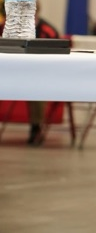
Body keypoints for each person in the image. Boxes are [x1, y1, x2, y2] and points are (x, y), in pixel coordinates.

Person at [0, 9, 60, 145]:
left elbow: (56, 57)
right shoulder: (6, 26)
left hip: (36, 75)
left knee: (37, 91)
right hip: (10, 72)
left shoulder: (48, 30)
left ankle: (36, 128)